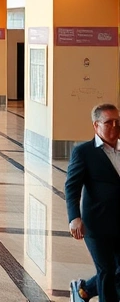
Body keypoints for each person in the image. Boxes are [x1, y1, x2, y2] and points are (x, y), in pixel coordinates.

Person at [65, 103, 120, 302]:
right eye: (108, 122)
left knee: (117, 271)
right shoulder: (84, 152)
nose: (114, 126)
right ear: (96, 126)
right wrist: (74, 218)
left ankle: (84, 290)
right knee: (107, 270)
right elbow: (72, 187)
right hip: (96, 224)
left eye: (117, 122)